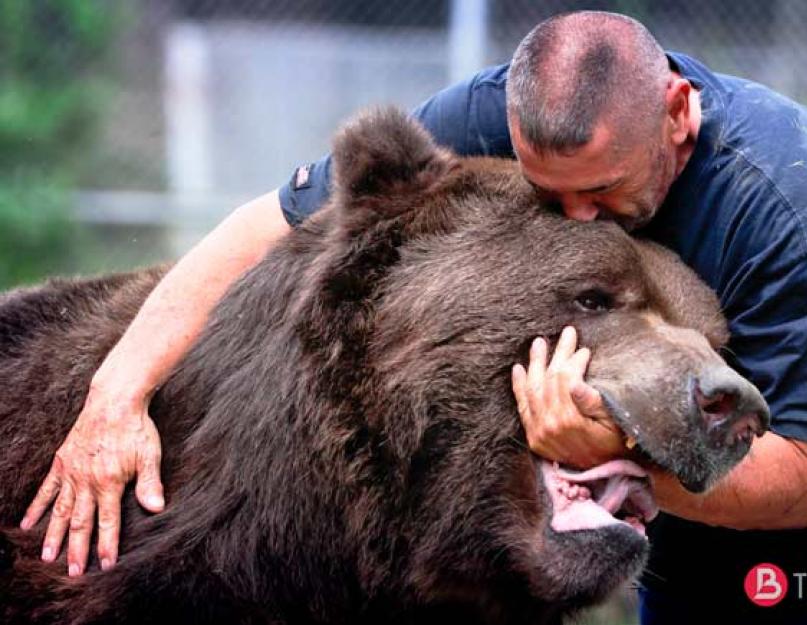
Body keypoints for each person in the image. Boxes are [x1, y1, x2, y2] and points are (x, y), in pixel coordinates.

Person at [19, 9, 807, 623]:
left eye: (600, 192)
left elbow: (800, 477)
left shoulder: (779, 204)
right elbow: (269, 221)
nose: (574, 214)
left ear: (675, 114)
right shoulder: (492, 112)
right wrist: (114, 394)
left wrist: (622, 451)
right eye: (550, 190)